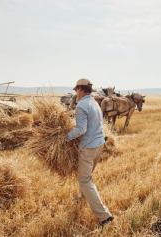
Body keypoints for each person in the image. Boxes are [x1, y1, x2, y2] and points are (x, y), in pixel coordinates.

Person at [66, 78, 113, 227]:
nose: (75, 93)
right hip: (99, 145)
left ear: (81, 89)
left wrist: (65, 137)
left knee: (85, 180)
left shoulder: (81, 105)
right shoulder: (94, 103)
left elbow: (81, 129)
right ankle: (82, 196)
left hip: (88, 147)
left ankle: (104, 216)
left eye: (76, 90)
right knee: (85, 176)